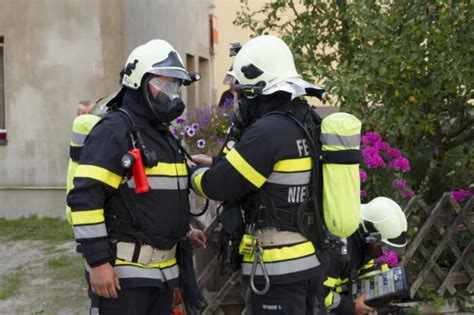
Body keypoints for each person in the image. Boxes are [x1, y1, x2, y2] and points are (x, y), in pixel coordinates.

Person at [67, 39, 206, 315]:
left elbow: (159, 199)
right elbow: (85, 198)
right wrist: (98, 263)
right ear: (137, 84)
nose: (173, 94)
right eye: (164, 85)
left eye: (176, 86)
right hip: (124, 280)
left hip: (163, 276)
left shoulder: (163, 136)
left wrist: (185, 232)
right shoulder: (115, 130)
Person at [190, 35, 325, 314]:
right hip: (309, 260)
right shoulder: (306, 121)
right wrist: (219, 160)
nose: (238, 99)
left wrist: (192, 173)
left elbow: (219, 185)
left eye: (241, 91)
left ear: (256, 90)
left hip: (278, 269)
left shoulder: (268, 132)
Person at [320, 197, 408, 315]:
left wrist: (382, 295)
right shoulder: (338, 250)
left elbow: (366, 274)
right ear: (371, 237)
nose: (383, 252)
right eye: (383, 246)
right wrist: (350, 307)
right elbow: (318, 294)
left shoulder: (364, 245)